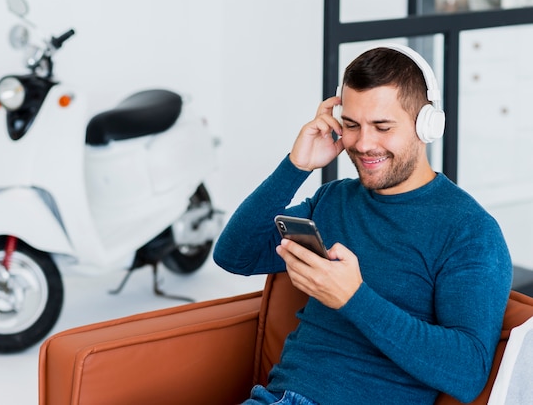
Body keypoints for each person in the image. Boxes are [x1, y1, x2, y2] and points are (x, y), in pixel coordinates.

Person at [213, 43, 512, 404]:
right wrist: (296, 167)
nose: (364, 143)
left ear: (427, 125)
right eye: (352, 125)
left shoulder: (469, 230)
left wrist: (353, 298)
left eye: (382, 126)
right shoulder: (334, 199)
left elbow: (467, 372)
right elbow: (234, 255)